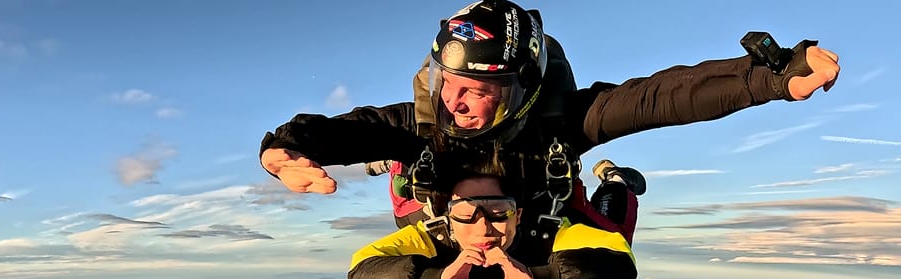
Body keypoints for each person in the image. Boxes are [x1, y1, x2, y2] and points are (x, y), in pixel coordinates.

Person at [260, 0, 839, 237]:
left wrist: (771, 77)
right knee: (410, 180)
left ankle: (617, 181)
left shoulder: (565, 123)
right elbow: (342, 128)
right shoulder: (424, 121)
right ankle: (399, 167)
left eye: (475, 89)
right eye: (446, 82)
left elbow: (660, 97)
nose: (453, 102)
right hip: (451, 213)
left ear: (521, 91)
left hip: (541, 211)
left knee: (607, 255)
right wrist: (283, 151)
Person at [347, 157, 637, 279]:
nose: (482, 227)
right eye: (465, 213)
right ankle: (400, 160)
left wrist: (539, 278)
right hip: (464, 267)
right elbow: (361, 277)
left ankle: (615, 180)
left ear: (519, 215)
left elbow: (619, 258)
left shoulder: (543, 234)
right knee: (409, 210)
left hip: (537, 258)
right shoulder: (436, 238)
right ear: (447, 217)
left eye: (498, 211)